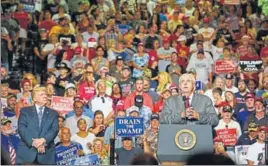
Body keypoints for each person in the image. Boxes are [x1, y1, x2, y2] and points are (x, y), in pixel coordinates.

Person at [17, 86, 59, 164]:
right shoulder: (25, 111)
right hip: (27, 152)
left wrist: (43, 140)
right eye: (41, 94)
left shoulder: (53, 113)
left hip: (47, 155)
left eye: (45, 94)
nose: (45, 96)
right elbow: (22, 128)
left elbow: (54, 129)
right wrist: (34, 143)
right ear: (34, 98)